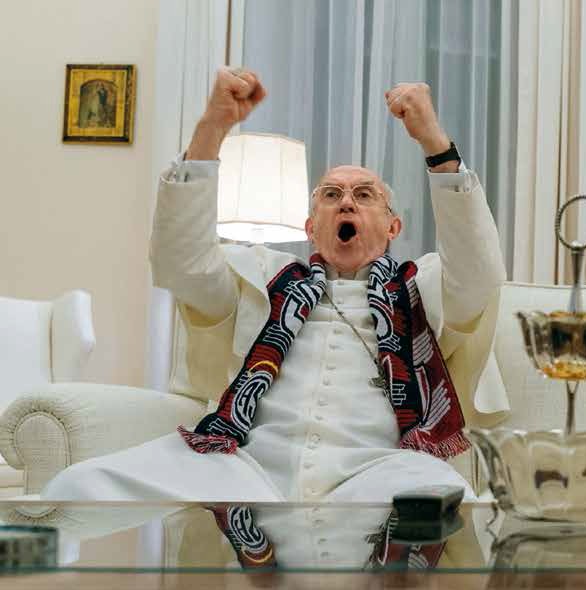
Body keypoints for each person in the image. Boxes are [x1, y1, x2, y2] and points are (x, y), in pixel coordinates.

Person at [43, 67, 508, 510]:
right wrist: (212, 129)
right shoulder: (262, 277)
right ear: (310, 227)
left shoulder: (422, 286)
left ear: (393, 227)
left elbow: (479, 271)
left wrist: (434, 142)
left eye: (364, 195)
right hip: (245, 463)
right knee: (76, 487)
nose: (346, 202)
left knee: (442, 503)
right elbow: (180, 263)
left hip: (380, 467)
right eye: (331, 194)